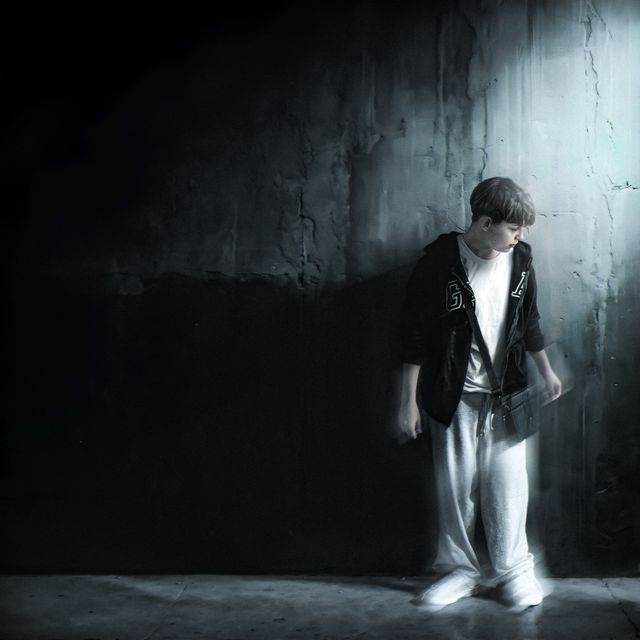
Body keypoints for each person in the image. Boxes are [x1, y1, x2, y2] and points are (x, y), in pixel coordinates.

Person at [398, 176, 561, 608]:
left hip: (508, 394)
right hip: (453, 395)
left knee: (509, 487)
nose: (519, 236)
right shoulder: (438, 266)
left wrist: (546, 372)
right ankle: (459, 572)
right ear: (486, 223)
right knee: (455, 489)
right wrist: (407, 401)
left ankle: (514, 572)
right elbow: (413, 338)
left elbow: (529, 322)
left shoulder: (521, 260)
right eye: (513, 228)